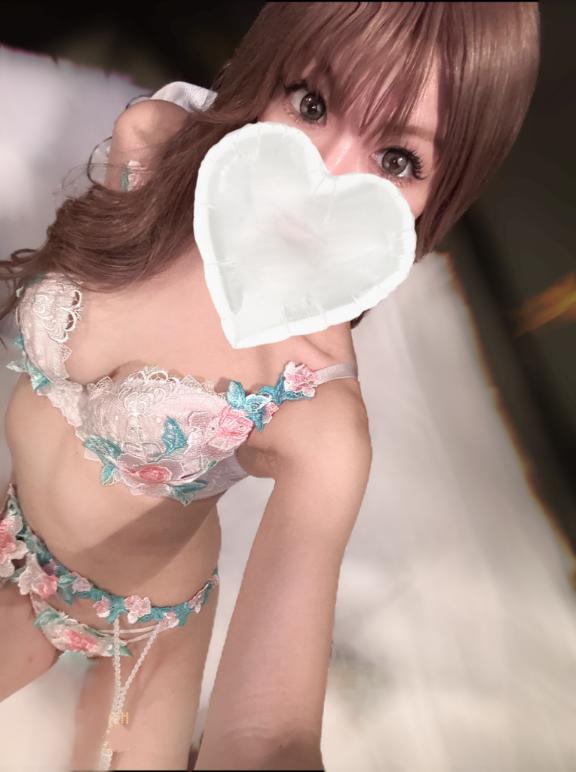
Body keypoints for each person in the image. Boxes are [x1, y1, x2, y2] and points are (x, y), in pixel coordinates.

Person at [0, 3, 540, 770]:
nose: (324, 176)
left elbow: (269, 738)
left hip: (144, 631)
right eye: (312, 103)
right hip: (13, 542)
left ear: (439, 198)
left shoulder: (318, 413)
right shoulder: (150, 147)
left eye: (396, 159)